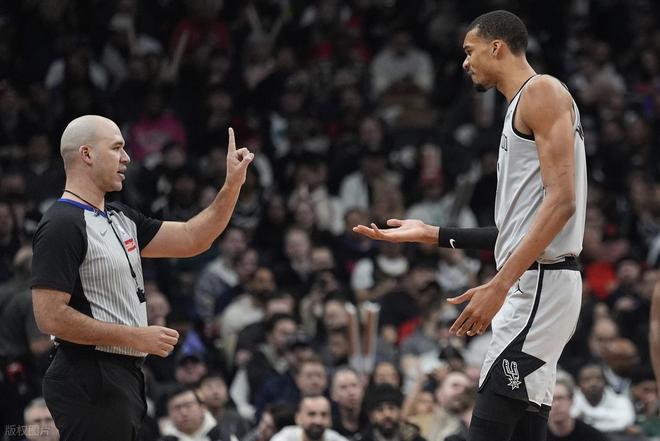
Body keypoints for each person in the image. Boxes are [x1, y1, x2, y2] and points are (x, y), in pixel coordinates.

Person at [353, 10, 587, 441]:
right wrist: (432, 233)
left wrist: (498, 285)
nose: (464, 62)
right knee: (523, 430)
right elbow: (521, 229)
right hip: (538, 282)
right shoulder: (521, 106)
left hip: (539, 284)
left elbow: (563, 203)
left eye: (469, 51)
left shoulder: (541, 91)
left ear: (496, 47)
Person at [31, 115, 253, 441]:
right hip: (89, 373)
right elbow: (49, 317)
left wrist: (232, 185)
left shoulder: (121, 216)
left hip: (122, 375)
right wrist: (135, 337)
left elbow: (194, 238)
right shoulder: (61, 224)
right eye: (116, 148)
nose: (126, 157)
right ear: (87, 154)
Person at [546, 377, 608, 441]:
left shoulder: (593, 436)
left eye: (560, 398)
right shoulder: (539, 434)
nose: (556, 405)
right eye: (550, 400)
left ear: (572, 400)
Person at [271, 395, 348, 441]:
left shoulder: (336, 439)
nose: (318, 421)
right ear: (298, 418)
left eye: (324, 415)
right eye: (311, 414)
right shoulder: (286, 437)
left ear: (330, 419)